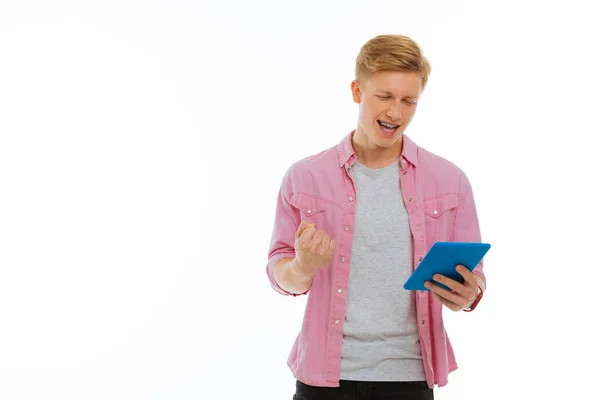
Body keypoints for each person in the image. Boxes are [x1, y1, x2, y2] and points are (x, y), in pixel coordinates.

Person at [265, 34, 487, 400]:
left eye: (408, 101)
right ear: (357, 91)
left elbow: (474, 278)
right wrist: (303, 267)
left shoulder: (451, 181)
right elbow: (279, 270)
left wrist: (467, 294)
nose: (396, 113)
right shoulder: (304, 177)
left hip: (410, 377)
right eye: (384, 97)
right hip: (324, 378)